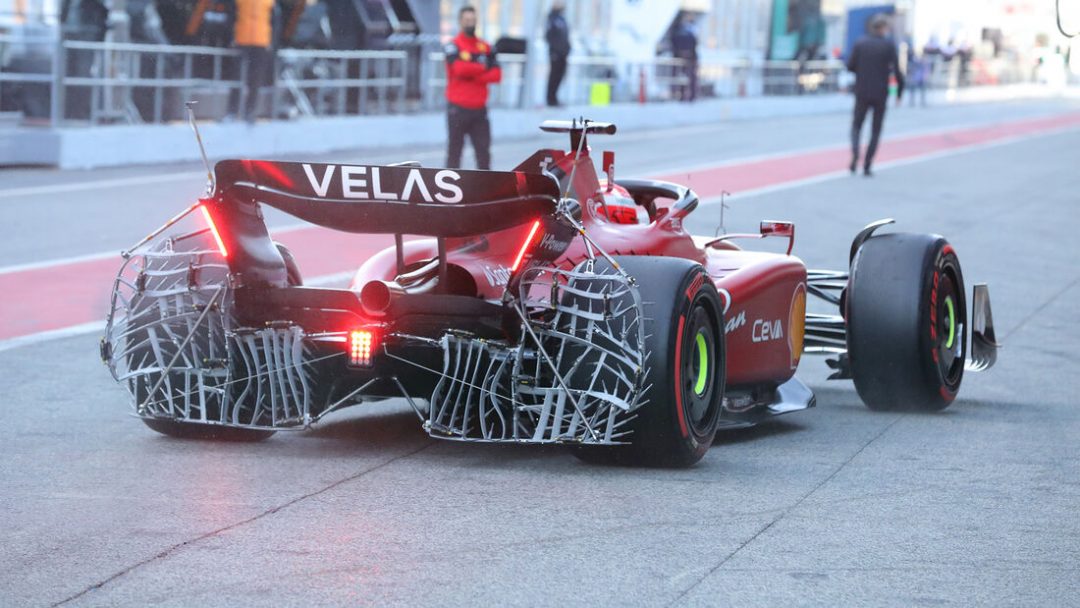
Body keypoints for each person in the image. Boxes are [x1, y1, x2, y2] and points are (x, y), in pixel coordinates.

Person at [846, 14, 904, 176]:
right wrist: (899, 92)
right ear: (883, 28)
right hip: (880, 93)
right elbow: (898, 72)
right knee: (875, 130)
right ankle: (867, 164)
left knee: (857, 125)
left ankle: (856, 152)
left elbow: (850, 66)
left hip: (862, 91)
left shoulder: (860, 43)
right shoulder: (888, 46)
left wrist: (862, 71)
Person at [445, 5, 502, 169]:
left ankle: (486, 191)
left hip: (479, 110)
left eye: (473, 20)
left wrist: (472, 70)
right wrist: (483, 67)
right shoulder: (453, 46)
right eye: (467, 20)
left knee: (484, 154)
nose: (470, 23)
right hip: (458, 109)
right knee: (454, 152)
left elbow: (497, 75)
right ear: (460, 22)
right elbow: (459, 70)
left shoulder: (486, 47)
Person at [234, 0, 275, 124]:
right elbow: (232, 15)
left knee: (255, 80)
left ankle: (250, 111)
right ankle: (233, 111)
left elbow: (275, 21)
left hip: (261, 42)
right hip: (241, 41)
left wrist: (272, 43)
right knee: (236, 78)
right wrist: (231, 38)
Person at [545, 1, 571, 107]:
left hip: (563, 53)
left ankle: (555, 98)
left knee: (560, 76)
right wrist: (556, 50)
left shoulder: (561, 19)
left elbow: (565, 36)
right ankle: (551, 99)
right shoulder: (552, 19)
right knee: (554, 76)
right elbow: (549, 36)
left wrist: (568, 48)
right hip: (556, 54)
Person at [670, 12, 699, 102]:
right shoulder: (687, 31)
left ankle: (687, 96)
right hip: (687, 57)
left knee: (687, 77)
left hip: (686, 57)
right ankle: (686, 96)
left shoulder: (689, 30)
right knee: (685, 77)